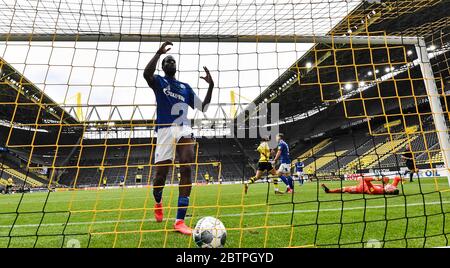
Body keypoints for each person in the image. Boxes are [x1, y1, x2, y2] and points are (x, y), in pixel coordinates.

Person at [143, 41, 214, 235]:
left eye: (172, 61)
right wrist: (158, 53)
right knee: (160, 178)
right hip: (165, 130)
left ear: (176, 66)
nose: (170, 63)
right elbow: (146, 74)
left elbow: (203, 107)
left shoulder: (185, 87)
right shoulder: (158, 81)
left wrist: (211, 86)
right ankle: (158, 201)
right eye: (167, 61)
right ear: (163, 66)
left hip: (183, 128)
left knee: (186, 165)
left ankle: (180, 221)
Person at [321, 176, 401, 195]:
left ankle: (329, 191)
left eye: (391, 187)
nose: (391, 185)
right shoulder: (391, 188)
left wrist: (377, 179)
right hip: (365, 183)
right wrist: (402, 179)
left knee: (345, 189)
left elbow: (367, 180)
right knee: (361, 178)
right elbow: (396, 178)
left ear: (388, 191)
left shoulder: (376, 191)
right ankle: (359, 179)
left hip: (361, 188)